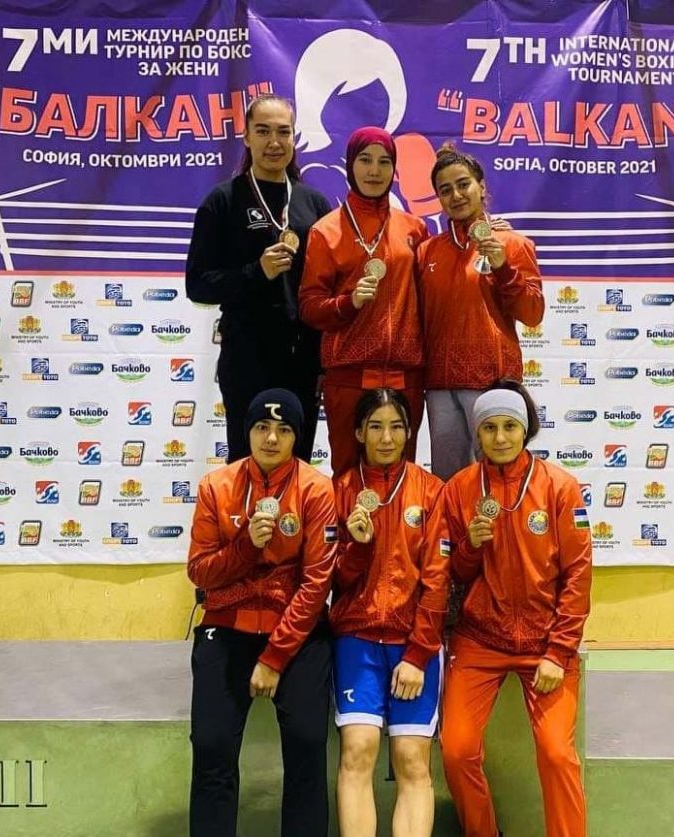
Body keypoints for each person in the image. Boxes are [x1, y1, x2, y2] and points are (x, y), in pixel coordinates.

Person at [439, 383, 592, 837]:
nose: (500, 437)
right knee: (456, 750)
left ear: (525, 430)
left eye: (510, 426)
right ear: (477, 433)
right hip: (480, 640)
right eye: (489, 428)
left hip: (545, 642)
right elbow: (453, 572)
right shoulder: (460, 489)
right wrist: (470, 546)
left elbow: (578, 573)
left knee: (557, 753)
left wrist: (558, 651)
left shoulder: (559, 487)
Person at [186, 388, 337, 837]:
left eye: (284, 429)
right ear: (247, 431)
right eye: (262, 427)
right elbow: (200, 571)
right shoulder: (216, 486)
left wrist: (274, 658)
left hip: (295, 633)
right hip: (227, 626)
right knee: (211, 746)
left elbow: (317, 583)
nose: (271, 438)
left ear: (297, 437)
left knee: (308, 742)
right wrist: (246, 546)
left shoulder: (316, 488)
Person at [330, 388, 450, 837]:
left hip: (412, 642)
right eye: (376, 427)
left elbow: (437, 580)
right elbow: (333, 580)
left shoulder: (431, 491)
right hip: (357, 639)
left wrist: (418, 655)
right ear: (359, 432)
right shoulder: (340, 490)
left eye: (397, 427)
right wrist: (359, 548)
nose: (386, 438)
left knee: (412, 758)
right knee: (357, 749)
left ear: (409, 432)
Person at [186, 94, 331, 463]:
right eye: (263, 131)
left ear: (294, 137)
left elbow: (328, 286)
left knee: (297, 466)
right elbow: (197, 284)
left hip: (302, 359)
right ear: (247, 136)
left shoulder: (314, 204)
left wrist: (323, 359)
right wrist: (256, 272)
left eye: (283, 132)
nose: (274, 142)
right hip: (246, 357)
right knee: (246, 463)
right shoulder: (222, 201)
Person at [299, 126, 429, 476]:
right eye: (365, 160)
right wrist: (348, 302)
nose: (374, 170)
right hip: (349, 377)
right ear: (350, 164)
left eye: (384, 162)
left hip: (405, 377)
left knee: (401, 475)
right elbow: (309, 307)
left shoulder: (414, 229)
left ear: (395, 169)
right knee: (347, 475)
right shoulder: (326, 231)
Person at [417, 144, 544, 481]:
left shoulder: (513, 244)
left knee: (498, 479)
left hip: (492, 381)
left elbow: (532, 314)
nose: (456, 195)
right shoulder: (427, 252)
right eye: (445, 190)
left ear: (481, 186)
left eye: (463, 184)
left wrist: (504, 268)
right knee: (449, 483)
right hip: (440, 385)